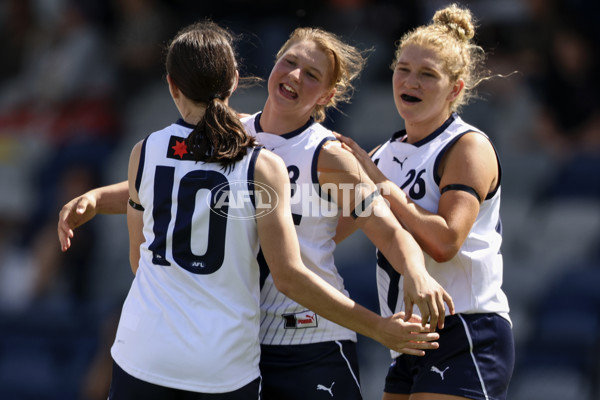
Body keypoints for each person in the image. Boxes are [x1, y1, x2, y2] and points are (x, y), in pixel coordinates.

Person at [59, 26, 454, 400]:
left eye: (312, 74)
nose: (295, 75)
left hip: (310, 343)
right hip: (245, 343)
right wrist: (96, 199)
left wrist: (416, 274)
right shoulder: (232, 133)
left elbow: (389, 229)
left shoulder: (329, 157)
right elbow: (169, 187)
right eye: (289, 61)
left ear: (327, 96)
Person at [334, 4, 515, 400]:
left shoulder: (468, 146)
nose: (410, 81)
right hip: (408, 333)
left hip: (467, 328)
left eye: (427, 74)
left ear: (455, 89)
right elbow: (329, 231)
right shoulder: (384, 153)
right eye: (403, 69)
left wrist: (380, 185)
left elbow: (446, 242)